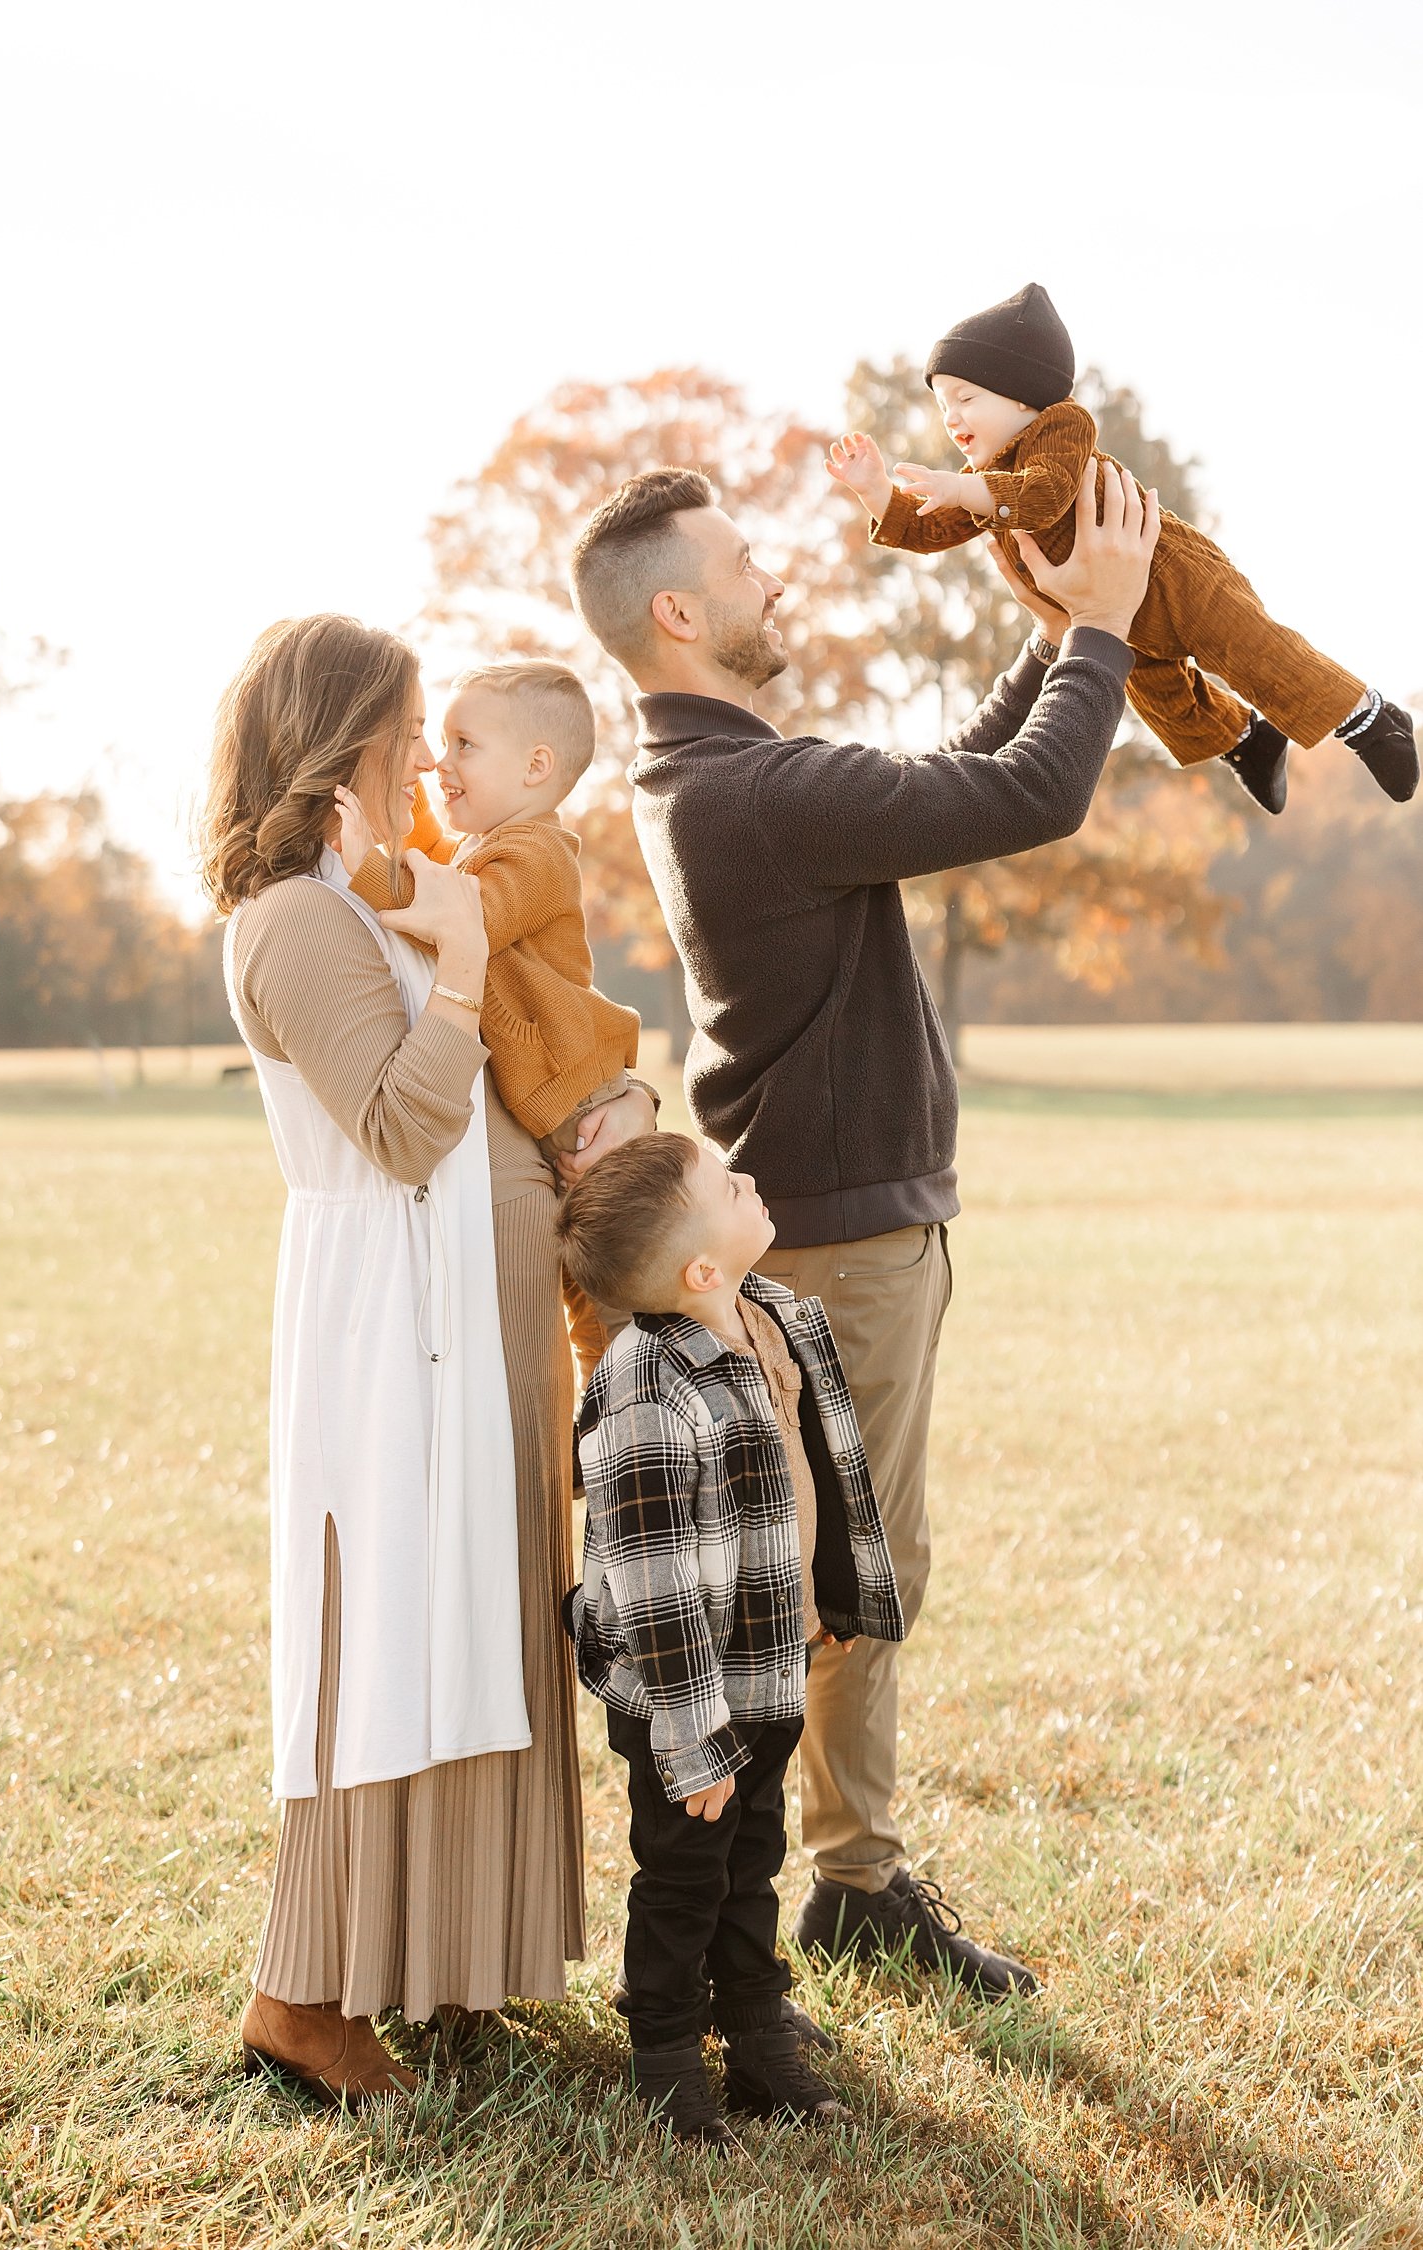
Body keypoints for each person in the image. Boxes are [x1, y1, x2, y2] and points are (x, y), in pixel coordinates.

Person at [569, 456, 1158, 2001]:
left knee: (851, 1567)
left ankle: (842, 1873)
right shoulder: (754, 790)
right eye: (751, 561)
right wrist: (1103, 631)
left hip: (836, 1229)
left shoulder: (730, 777)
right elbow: (1030, 790)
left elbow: (954, 771)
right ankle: (848, 1883)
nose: (783, 577)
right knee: (853, 1578)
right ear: (683, 611)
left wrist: (1052, 632)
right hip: (836, 1247)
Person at [201, 614, 656, 2105]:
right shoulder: (291, 919)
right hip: (389, 1330)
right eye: (404, 729)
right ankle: (302, 1998)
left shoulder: (365, 896)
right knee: (382, 1636)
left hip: (471, 1317)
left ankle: (451, 1956)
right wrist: (459, 968)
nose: (420, 755)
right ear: (339, 743)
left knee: (476, 1619)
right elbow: (402, 1125)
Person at [559, 1133, 905, 2146]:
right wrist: (694, 1739)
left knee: (752, 1856)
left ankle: (756, 2037)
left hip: (767, 1660)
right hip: (685, 1695)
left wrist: (823, 1601)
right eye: (729, 1183)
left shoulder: (777, 1321)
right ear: (699, 1268)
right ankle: (664, 2061)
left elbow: (820, 1478)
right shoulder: (644, 1388)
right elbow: (654, 1586)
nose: (752, 1179)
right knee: (683, 1875)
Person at [827, 281, 1419, 816]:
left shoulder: (1061, 429)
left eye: (964, 398)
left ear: (1023, 396)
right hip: (1113, 605)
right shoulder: (986, 477)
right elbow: (933, 528)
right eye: (942, 407)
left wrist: (964, 486)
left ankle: (1368, 721)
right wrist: (878, 492)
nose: (951, 418)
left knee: (1254, 653)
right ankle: (1250, 742)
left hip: (1170, 573)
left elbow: (1046, 496)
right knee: (1165, 700)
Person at [337, 657, 641, 1378]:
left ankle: (626, 1405)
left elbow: (464, 917)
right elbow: (443, 863)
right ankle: (603, 1419)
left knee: (610, 1283)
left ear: (537, 766)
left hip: (578, 1099)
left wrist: (365, 865)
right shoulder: (493, 847)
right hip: (554, 1101)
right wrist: (400, 816)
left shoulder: (535, 854)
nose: (441, 763)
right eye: (438, 745)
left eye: (464, 745)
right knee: (581, 1284)